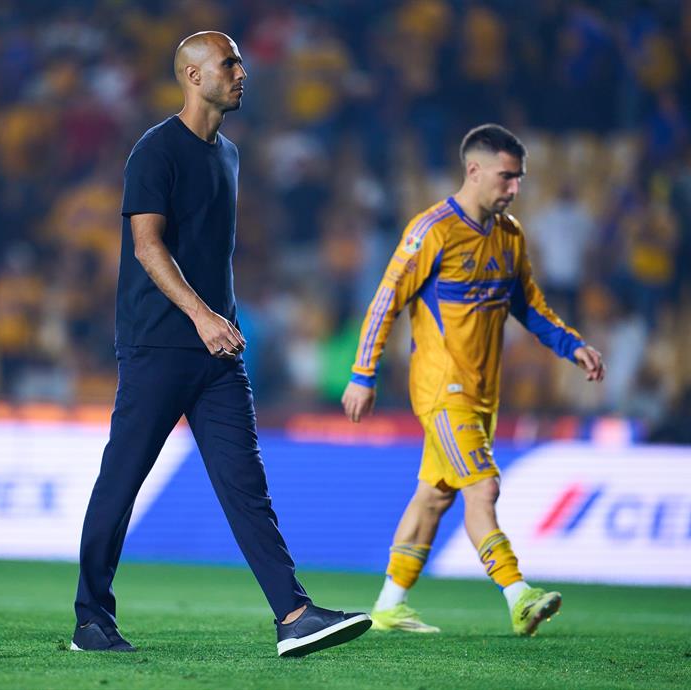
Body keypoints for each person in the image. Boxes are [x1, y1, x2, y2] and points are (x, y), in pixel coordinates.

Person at [72, 32, 371, 657]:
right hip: (159, 346)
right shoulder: (155, 150)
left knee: (246, 486)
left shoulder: (229, 154)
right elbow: (147, 247)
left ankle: (293, 615)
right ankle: (91, 620)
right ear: (192, 75)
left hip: (217, 352)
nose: (242, 72)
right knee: (121, 482)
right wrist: (203, 315)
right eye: (228, 63)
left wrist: (220, 320)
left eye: (239, 61)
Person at [341, 124, 605, 636]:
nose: (515, 188)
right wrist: (363, 374)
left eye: (520, 178)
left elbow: (530, 307)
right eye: (507, 177)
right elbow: (386, 301)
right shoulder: (432, 230)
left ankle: (389, 606)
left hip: (484, 393)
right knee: (483, 487)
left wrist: (572, 345)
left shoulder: (510, 235)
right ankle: (518, 595)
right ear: (474, 170)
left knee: (435, 496)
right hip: (441, 388)